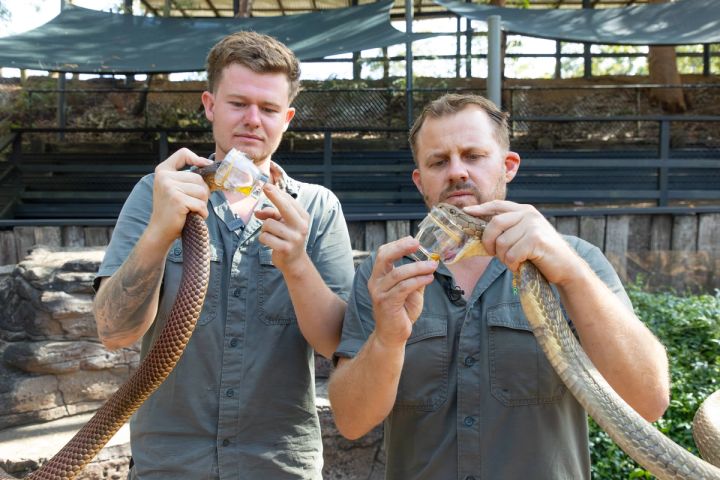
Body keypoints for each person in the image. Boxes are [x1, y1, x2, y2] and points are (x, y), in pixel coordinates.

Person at [328, 93, 670, 479]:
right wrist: (388, 339)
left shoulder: (577, 260)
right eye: (439, 161)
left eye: (473, 156)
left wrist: (572, 275)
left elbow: (648, 402)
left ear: (508, 166)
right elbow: (352, 421)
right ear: (420, 181)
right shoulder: (386, 273)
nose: (457, 171)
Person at [93, 31, 355, 479]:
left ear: (287, 118)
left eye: (269, 109)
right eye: (238, 104)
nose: (253, 120)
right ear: (210, 105)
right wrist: (160, 231)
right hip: (170, 465)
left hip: (279, 464)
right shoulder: (155, 192)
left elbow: (336, 344)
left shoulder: (317, 208)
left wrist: (297, 263)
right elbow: (114, 332)